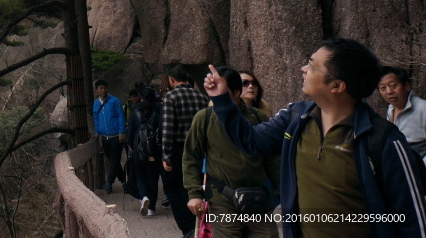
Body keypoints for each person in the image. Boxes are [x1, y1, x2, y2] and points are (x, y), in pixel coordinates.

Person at [204, 38, 426, 238]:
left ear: (338, 85)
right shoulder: (296, 118)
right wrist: (223, 101)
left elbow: (413, 219)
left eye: (311, 65)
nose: (303, 69)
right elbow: (251, 141)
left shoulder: (383, 140)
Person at [183, 66, 280, 238]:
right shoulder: (205, 118)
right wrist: (194, 193)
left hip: (257, 198)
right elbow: (191, 157)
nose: (217, 95)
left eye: (222, 90)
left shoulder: (258, 117)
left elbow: (272, 160)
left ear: (236, 92)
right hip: (222, 198)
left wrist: (284, 195)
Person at [160, 64, 208, 236]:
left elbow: (167, 129)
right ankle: (197, 222)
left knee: (173, 188)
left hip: (178, 148)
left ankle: (187, 227)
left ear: (172, 79)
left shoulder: (170, 97)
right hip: (199, 148)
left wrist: (166, 155)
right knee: (193, 185)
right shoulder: (201, 97)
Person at [126, 87, 162, 215]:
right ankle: (151, 208)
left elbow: (130, 132)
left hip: (139, 150)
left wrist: (130, 145)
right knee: (153, 178)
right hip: (154, 152)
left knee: (140, 176)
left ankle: (144, 197)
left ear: (141, 97)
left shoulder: (135, 111)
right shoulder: (158, 110)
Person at [379, 66, 426, 159]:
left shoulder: (422, 108)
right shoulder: (391, 109)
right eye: (383, 88)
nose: (389, 92)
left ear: (407, 86)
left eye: (393, 86)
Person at [93, 79, 126, 193]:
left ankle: (109, 183)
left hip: (116, 136)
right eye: (101, 88)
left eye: (105, 88)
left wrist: (122, 132)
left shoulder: (115, 101)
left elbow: (121, 117)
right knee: (114, 161)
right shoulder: (96, 103)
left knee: (113, 161)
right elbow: (96, 119)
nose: (103, 90)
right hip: (104, 137)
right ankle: (124, 181)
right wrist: (97, 132)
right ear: (97, 90)